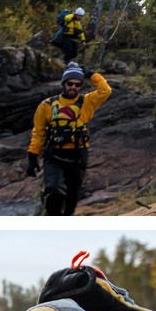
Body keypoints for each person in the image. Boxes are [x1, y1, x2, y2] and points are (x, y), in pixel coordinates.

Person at [26, 61, 111, 215]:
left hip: (78, 155)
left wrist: (91, 75)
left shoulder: (86, 102)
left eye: (77, 84)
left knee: (72, 197)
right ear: (64, 83)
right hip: (54, 155)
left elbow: (105, 90)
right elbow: (38, 132)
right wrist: (32, 157)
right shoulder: (47, 105)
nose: (73, 87)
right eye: (70, 83)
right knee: (54, 191)